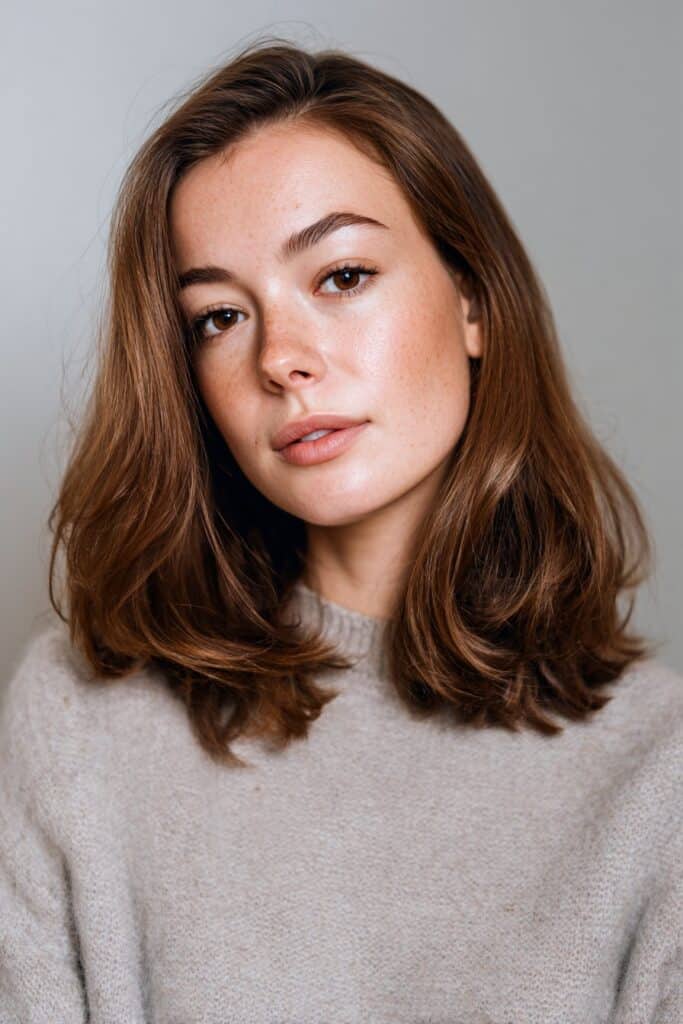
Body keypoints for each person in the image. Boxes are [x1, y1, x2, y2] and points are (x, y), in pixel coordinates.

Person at [0, 36, 680, 1024]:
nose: (281, 358)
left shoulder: (656, 769)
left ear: (472, 298)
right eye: (220, 317)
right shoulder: (79, 721)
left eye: (341, 276)